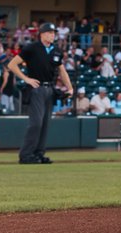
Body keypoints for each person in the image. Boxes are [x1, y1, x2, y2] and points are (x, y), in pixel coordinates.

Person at [7, 23, 73, 164]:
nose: (52, 35)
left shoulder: (56, 51)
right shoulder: (32, 48)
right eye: (49, 32)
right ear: (41, 34)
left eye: (53, 33)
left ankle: (38, 153)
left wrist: (70, 87)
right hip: (37, 88)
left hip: (50, 88)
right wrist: (26, 79)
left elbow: (62, 71)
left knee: (45, 124)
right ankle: (26, 155)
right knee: (36, 123)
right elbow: (12, 64)